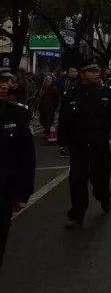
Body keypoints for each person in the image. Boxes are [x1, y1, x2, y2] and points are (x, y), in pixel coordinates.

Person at [58, 62, 111, 230]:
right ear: (82, 73)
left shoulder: (107, 93)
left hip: (99, 144)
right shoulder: (71, 94)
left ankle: (103, 197)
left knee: (100, 178)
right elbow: (64, 120)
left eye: (97, 71)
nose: (96, 73)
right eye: (92, 71)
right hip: (78, 145)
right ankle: (76, 214)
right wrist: (63, 142)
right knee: (77, 181)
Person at [0, 70, 35, 269]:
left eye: (6, 81)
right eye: (0, 82)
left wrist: (23, 193)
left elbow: (27, 157)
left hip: (4, 191)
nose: (4, 86)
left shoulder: (17, 114)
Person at [37, 74, 60, 141]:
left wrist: (54, 106)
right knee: (42, 120)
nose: (48, 81)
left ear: (51, 81)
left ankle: (49, 133)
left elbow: (56, 99)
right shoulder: (43, 88)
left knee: (49, 121)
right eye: (47, 80)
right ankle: (47, 130)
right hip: (43, 107)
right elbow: (41, 98)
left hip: (50, 108)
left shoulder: (54, 89)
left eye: (49, 80)